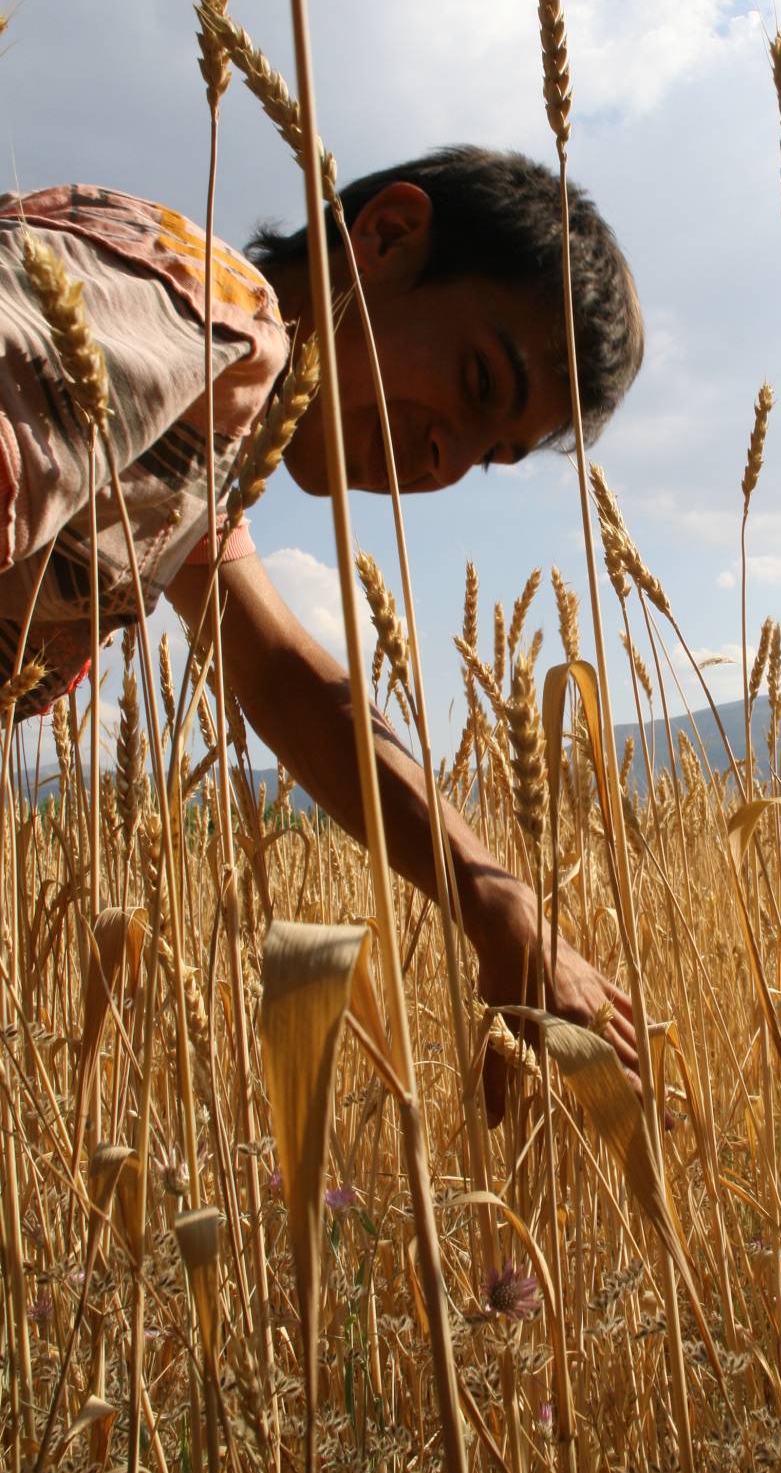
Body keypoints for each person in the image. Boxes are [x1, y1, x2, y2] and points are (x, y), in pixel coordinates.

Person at [0, 146, 645, 1119]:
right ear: (385, 237)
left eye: (492, 458)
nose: (445, 459)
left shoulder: (207, 433)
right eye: (476, 382)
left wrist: (496, 901)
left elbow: (286, 676)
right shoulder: (202, 316)